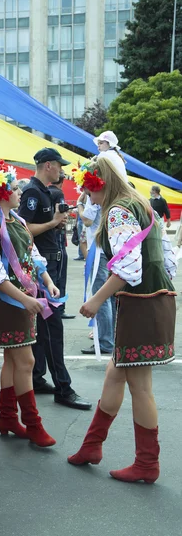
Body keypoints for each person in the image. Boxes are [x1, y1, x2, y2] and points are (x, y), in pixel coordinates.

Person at [68, 158, 177, 483]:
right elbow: (168, 258)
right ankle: (92, 446)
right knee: (116, 374)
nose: (90, 199)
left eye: (89, 192)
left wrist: (96, 300)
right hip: (154, 301)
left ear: (99, 184)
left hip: (141, 304)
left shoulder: (118, 210)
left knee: (140, 387)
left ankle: (146, 463)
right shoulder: (141, 203)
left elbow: (129, 269)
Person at [0, 159, 57, 447]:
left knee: (13, 359)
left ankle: (8, 416)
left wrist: (47, 281)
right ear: (1, 193)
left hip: (22, 298)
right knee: (26, 360)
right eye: (15, 188)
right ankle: (33, 424)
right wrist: (26, 298)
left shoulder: (17, 221)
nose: (20, 192)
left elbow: (33, 256)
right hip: (6, 300)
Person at [18, 148, 92, 410]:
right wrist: (54, 222)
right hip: (42, 264)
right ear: (48, 165)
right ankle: (63, 386)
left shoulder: (43, 191)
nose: (61, 170)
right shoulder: (32, 192)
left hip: (50, 261)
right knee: (52, 326)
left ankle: (38, 378)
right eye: (59, 165)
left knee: (46, 325)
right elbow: (23, 229)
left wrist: (55, 222)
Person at [77, 186, 115, 356]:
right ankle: (110, 335)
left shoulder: (95, 196)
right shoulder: (108, 194)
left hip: (99, 250)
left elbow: (87, 220)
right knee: (110, 296)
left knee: (102, 295)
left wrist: (79, 204)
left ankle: (106, 340)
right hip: (105, 248)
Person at [48, 171, 75, 319]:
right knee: (60, 275)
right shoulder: (58, 194)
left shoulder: (46, 191)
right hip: (57, 238)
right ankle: (60, 307)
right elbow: (63, 214)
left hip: (50, 238)